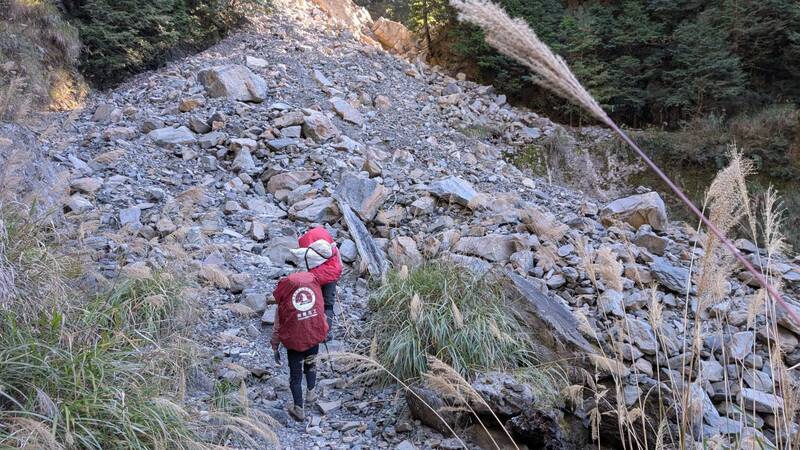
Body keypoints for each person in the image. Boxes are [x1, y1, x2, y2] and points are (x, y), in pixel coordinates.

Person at [270, 271, 329, 421]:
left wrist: (275, 345)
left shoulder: (285, 304)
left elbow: (278, 327)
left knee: (295, 376)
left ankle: (298, 409)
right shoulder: (314, 297)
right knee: (311, 364)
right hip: (313, 335)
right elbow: (323, 314)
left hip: (295, 341)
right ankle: (311, 393)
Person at [293, 226, 342, 340]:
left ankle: (311, 332)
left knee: (314, 303)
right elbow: (337, 255)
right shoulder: (325, 234)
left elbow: (304, 261)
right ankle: (326, 334)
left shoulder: (303, 240)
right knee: (328, 304)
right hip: (331, 272)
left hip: (315, 276)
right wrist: (338, 272)